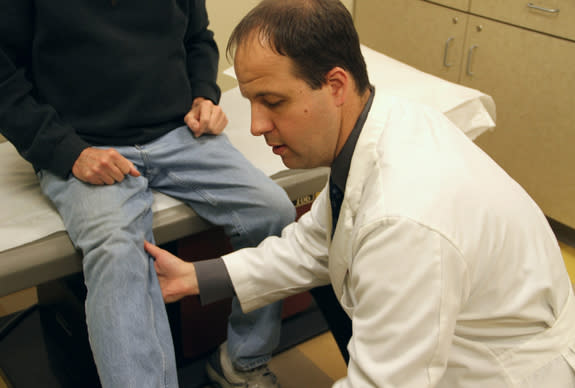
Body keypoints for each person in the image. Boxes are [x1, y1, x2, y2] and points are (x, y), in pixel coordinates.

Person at [144, 0, 575, 386]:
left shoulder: (405, 218)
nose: (256, 125)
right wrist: (195, 277)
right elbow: (316, 243)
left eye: (273, 101)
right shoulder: (377, 128)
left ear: (335, 85)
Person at [0, 1, 295, 387]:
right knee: (119, 252)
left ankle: (243, 361)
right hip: (84, 145)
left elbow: (197, 39)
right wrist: (66, 151)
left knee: (272, 211)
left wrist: (204, 95)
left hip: (178, 132)